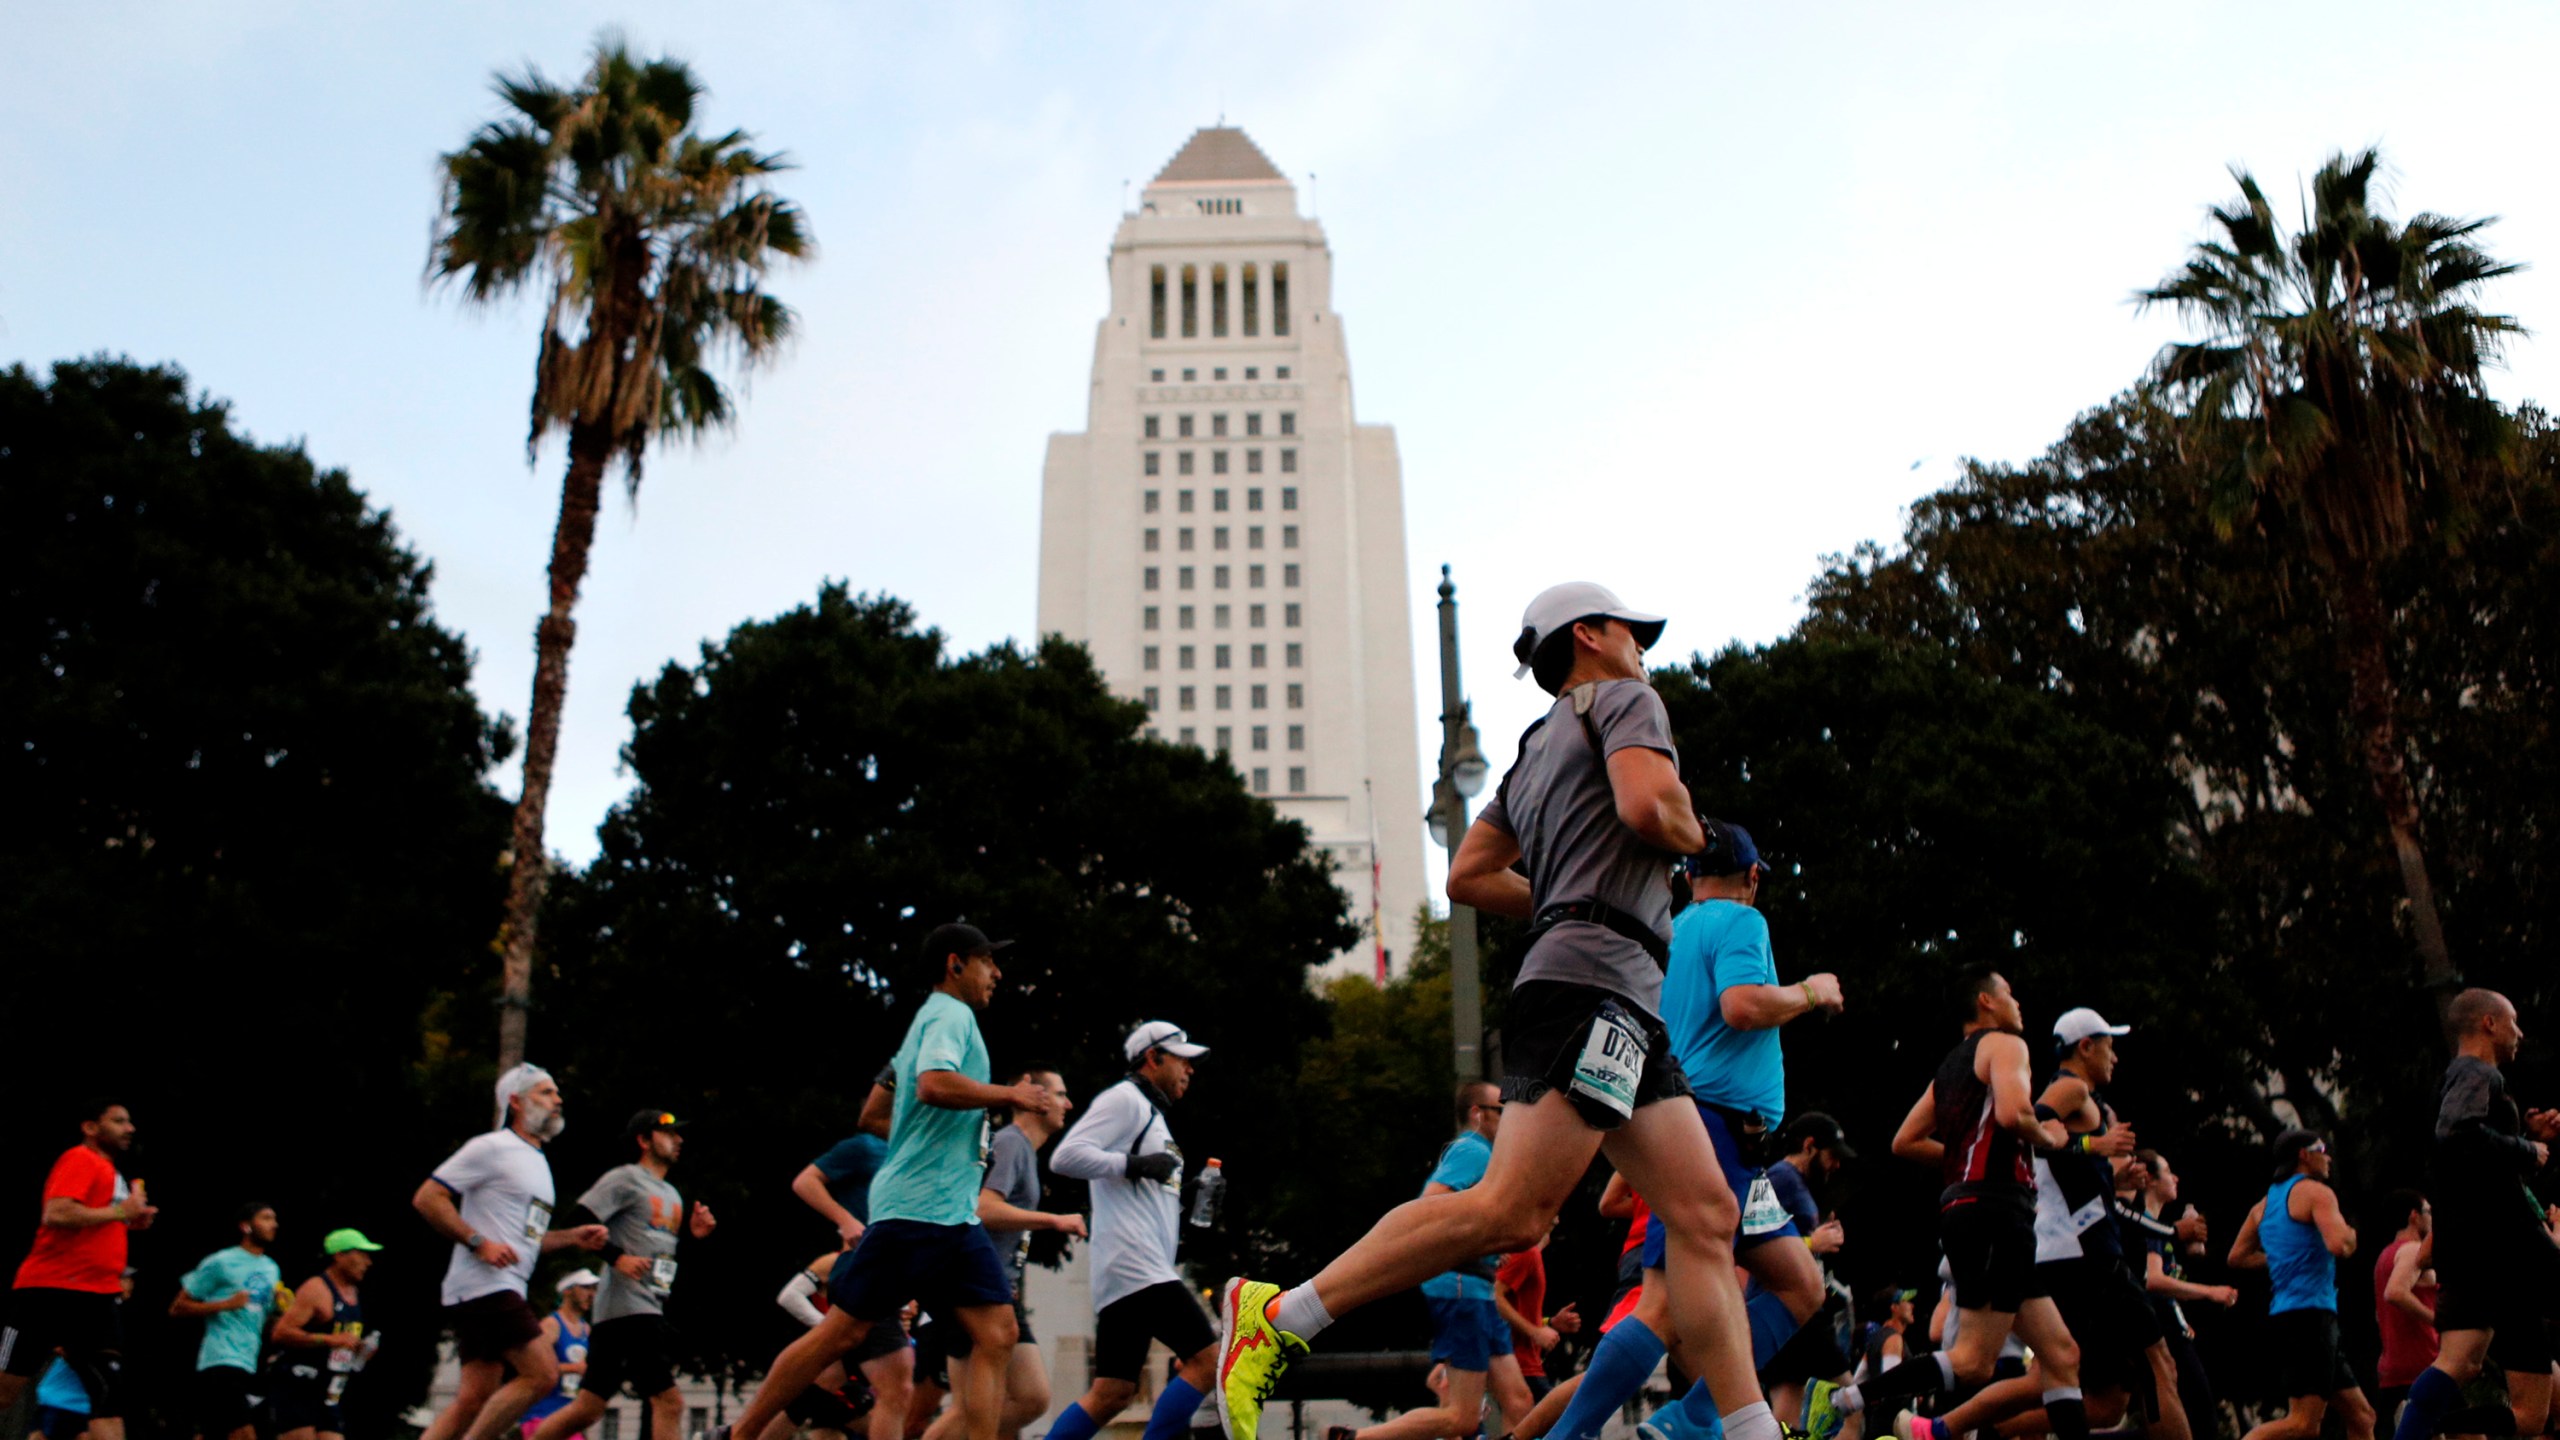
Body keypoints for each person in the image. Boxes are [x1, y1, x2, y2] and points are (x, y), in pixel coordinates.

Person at [1217, 583, 1775, 1440]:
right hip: (1598, 990)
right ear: (1590, 636)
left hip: (1614, 996)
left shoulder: (1535, 749)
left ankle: (1750, 1432)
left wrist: (1562, 899)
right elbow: (1646, 807)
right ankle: (1280, 1314)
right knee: (1512, 1210)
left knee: (1706, 1214)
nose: (1644, 649)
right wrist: (1691, 832)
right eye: (1634, 633)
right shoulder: (1629, 700)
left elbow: (1468, 874)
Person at [1554, 818, 1847, 1440]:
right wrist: (1811, 992)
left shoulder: (1669, 934)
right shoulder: (1742, 920)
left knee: (1798, 1281)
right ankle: (1630, 1427)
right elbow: (1742, 1005)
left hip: (1693, 1128)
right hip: (1715, 1131)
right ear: (1753, 876)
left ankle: (1687, 1417)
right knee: (1665, 1307)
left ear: (1688, 877)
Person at [720, 923, 1049, 1440]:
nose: (997, 973)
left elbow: (875, 1112)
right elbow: (934, 1083)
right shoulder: (950, 1013)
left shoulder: (923, 1024)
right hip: (918, 1213)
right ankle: (741, 1435)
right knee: (840, 1332)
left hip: (950, 1214)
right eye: (988, 961)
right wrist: (1010, 1097)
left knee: (998, 1332)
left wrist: (929, 1140)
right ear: (955, 963)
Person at [1806, 968, 2085, 1440]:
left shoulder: (1950, 1068)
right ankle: (1843, 1398)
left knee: (2061, 1355)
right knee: (1973, 1362)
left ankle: (1871, 1407)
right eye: (2011, 993)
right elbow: (2015, 1113)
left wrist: (1965, 1162)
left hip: (1971, 1208)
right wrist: (2049, 1137)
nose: (2019, 1004)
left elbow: (1904, 1141)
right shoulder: (2005, 1045)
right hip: (1998, 1211)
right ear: (1987, 1002)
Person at [2389, 989, 2560, 1440]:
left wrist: (2524, 1132)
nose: (2519, 1032)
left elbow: (2471, 1161)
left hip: (2465, 1248)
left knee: (2461, 1361)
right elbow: (2458, 1134)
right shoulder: (2478, 1073)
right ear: (2489, 1023)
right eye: (2514, 1021)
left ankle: (2417, 1428)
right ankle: (2425, 1426)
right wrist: (2526, 1148)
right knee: (2528, 1414)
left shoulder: (2451, 1080)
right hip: (2507, 1246)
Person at [412, 1064, 612, 1440]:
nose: (558, 1100)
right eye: (546, 1093)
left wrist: (571, 1238)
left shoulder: (536, 1160)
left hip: (496, 1286)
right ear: (516, 1102)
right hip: (485, 1284)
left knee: (473, 1398)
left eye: (556, 1093)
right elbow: (428, 1197)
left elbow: (527, 1242)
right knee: (543, 1374)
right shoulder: (492, 1147)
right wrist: (478, 1242)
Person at [1046, 1024, 1223, 1440]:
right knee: (1209, 1360)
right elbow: (1066, 1157)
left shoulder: (1150, 1114)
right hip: (1137, 1266)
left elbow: (1144, 1196)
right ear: (1152, 1058)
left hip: (1127, 1270)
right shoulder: (1124, 1099)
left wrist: (1188, 1195)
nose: (1189, 1070)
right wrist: (1132, 1165)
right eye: (1182, 1059)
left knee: (1112, 1393)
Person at [1325, 1082, 1523, 1440]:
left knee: (1519, 1401)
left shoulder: (1481, 1153)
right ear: (1478, 1114)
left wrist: (1490, 1241)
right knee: (1462, 1420)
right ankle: (1353, 1439)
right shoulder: (1473, 1150)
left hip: (1477, 1288)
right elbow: (1431, 1203)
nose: (1509, 1118)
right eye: (1501, 1110)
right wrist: (1480, 1239)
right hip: (1461, 1288)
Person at [527, 1111, 719, 1440]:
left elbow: (662, 1253)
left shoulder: (672, 1194)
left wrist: (693, 1238)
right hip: (630, 1307)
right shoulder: (625, 1178)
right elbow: (580, 1221)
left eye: (678, 1134)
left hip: (639, 1307)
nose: (678, 1140)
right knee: (669, 1402)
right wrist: (617, 1258)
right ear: (643, 1140)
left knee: (588, 1407)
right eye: (668, 1133)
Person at [925, 1068, 1086, 1440]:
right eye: (1061, 1094)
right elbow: (983, 1209)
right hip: (973, 1287)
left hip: (999, 1287)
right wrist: (1054, 1220)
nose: (1069, 1103)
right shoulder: (1011, 1143)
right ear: (1033, 1097)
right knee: (970, 1410)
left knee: (1031, 1398)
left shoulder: (1024, 1151)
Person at [0, 1100, 158, 1440]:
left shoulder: (112, 1173)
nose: (129, 1128)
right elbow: (57, 1213)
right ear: (90, 1127)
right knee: (4, 1390)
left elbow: (94, 1223)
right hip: (49, 1290)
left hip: (97, 1296)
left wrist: (131, 1220)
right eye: (118, 1121)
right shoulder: (80, 1159)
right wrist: (120, 1213)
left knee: (109, 1396)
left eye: (129, 1121)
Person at [2227, 1129, 2371, 1440]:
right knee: (2303, 1424)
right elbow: (2339, 1245)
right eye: (2321, 1148)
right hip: (2310, 1318)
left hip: (2292, 1317)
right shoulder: (2316, 1193)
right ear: (2304, 1156)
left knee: (2362, 1416)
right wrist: (2351, 1235)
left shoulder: (2263, 1205)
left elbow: (2237, 1256)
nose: (2328, 1155)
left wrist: (2286, 1257)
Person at [2116, 1153, 2229, 1436]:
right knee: (2200, 1418)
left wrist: (2178, 1314)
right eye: (2168, 1171)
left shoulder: (2153, 1226)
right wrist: (2211, 1292)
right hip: (2160, 1330)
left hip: (2164, 1325)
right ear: (2150, 1181)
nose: (2176, 1177)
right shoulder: (2147, 1224)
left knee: (2129, 1409)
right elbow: (2154, 1281)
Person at [170, 1203, 285, 1440]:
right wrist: (225, 1305)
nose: (274, 1224)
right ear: (246, 1226)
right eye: (265, 1218)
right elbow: (177, 1307)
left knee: (214, 1433)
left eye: (274, 1219)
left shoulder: (271, 1268)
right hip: (220, 1358)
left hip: (250, 1362)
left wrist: (281, 1310)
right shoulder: (221, 1261)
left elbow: (262, 1318)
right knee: (244, 1433)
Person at [270, 1228, 385, 1440]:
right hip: (299, 1384)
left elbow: (342, 1339)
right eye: (361, 1254)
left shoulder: (355, 1293)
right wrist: (330, 1340)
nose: (368, 1262)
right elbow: (281, 1333)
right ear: (339, 1255)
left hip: (330, 1391)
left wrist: (359, 1349)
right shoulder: (316, 1289)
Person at [796, 1082, 896, 1251]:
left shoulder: (911, 1150)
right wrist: (845, 1221)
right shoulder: (863, 1146)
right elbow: (805, 1181)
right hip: (865, 1253)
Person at [2371, 1192, 2437, 1433]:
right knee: (2468, 1433)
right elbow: (2396, 1293)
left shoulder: (2385, 1255)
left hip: (2394, 1364)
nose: (2432, 1219)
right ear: (2414, 1216)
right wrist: (2439, 1321)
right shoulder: (2412, 1251)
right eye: (2428, 1212)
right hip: (2422, 1361)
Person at [1496, 1221, 1579, 1406]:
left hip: (1525, 1364)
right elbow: (1494, 1296)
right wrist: (1535, 1333)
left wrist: (1551, 1323)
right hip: (1520, 1365)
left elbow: (1516, 1309)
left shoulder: (1532, 1254)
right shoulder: (1526, 1252)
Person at [524, 1272, 597, 1440]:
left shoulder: (587, 1330)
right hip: (541, 1415)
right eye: (585, 1287)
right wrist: (574, 1368)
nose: (592, 1294)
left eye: (594, 1288)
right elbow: (532, 1368)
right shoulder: (551, 1325)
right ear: (567, 1291)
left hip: (568, 1417)